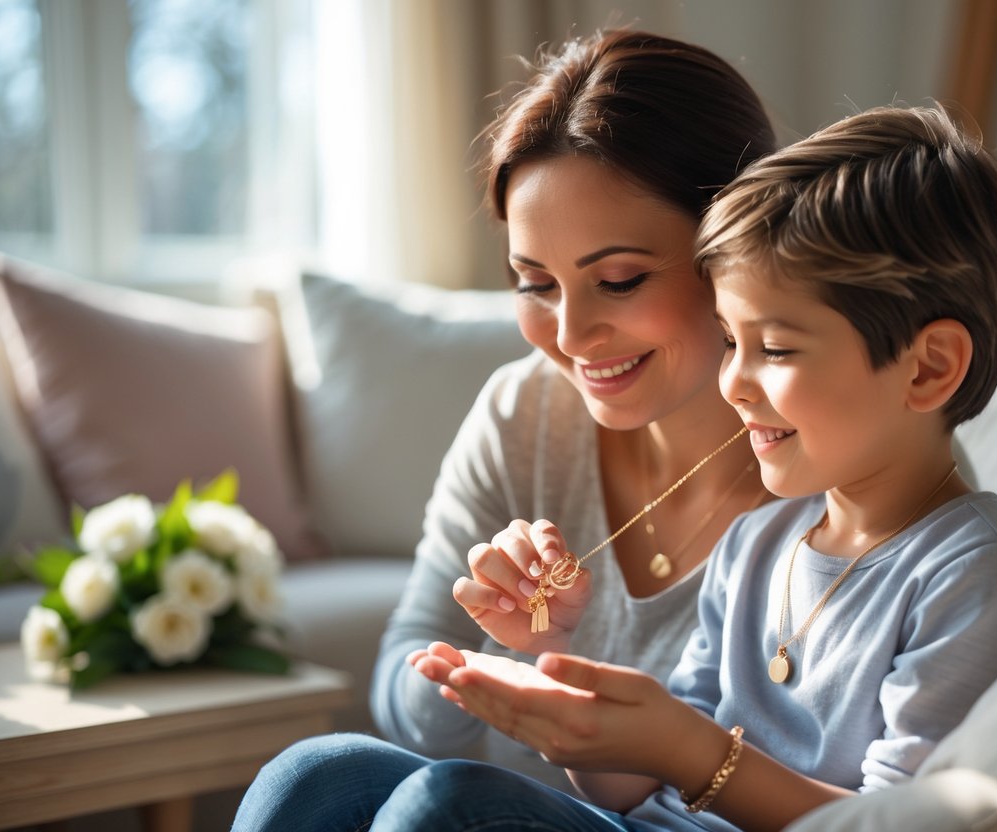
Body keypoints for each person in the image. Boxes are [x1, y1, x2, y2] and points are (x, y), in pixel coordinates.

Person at [293, 103, 997, 832]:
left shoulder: (975, 573)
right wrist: (567, 700)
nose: (734, 383)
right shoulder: (760, 542)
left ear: (928, 369)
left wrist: (687, 751)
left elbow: (901, 820)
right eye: (730, 342)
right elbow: (636, 787)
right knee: (321, 772)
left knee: (445, 805)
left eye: (776, 349)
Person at [231, 27, 779, 831]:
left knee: (441, 805)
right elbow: (403, 671)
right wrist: (497, 661)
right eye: (535, 284)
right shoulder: (527, 410)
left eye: (618, 280)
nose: (570, 333)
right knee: (314, 775)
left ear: (733, 245)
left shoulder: (830, 447)